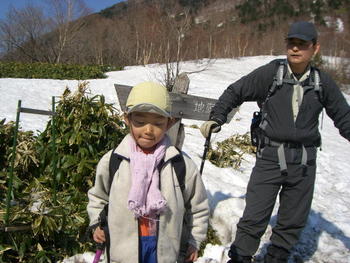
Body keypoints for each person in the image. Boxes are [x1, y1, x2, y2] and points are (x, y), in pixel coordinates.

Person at [200, 21, 350, 263]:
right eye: (292, 43)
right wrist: (217, 118)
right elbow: (236, 91)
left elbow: (344, 117)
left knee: (293, 219)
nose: (295, 49)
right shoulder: (272, 73)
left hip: (304, 161)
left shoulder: (322, 82)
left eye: (302, 44)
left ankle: (276, 257)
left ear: (315, 48)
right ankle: (240, 257)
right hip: (270, 156)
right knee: (255, 214)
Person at [87, 81, 209, 263]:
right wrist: (97, 223)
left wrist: (194, 240)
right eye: (140, 122)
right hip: (123, 252)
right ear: (127, 119)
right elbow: (98, 197)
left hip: (164, 252)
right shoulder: (114, 160)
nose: (148, 130)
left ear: (169, 123)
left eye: (158, 123)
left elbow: (198, 207)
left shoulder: (180, 164)